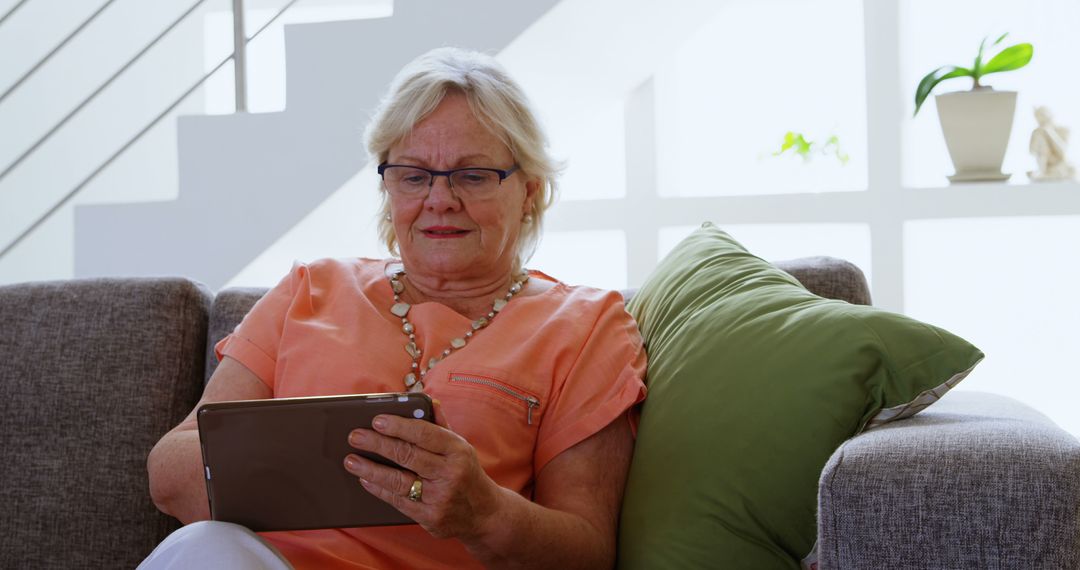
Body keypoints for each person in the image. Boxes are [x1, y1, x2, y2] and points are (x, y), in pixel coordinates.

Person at [141, 47, 647, 569]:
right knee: (203, 549)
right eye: (413, 175)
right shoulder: (310, 289)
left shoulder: (587, 324)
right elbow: (170, 469)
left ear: (529, 192)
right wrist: (290, 474)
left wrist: (486, 513)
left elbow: (587, 550)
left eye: (472, 176)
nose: (440, 199)